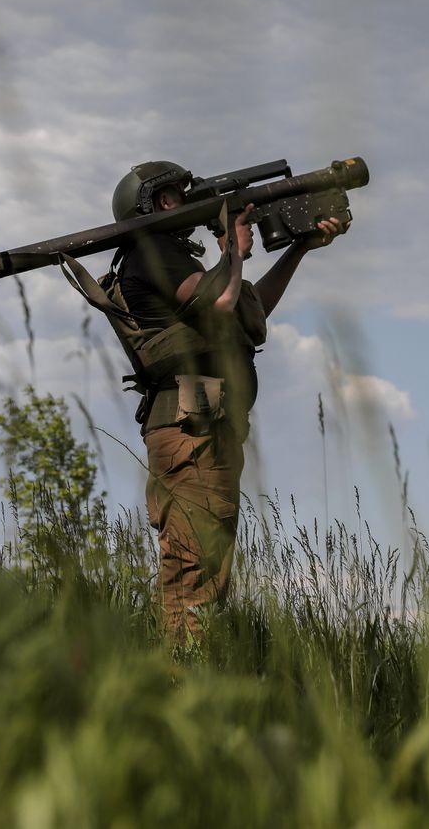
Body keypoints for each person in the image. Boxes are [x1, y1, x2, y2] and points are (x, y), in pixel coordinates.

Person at [104, 160, 349, 642]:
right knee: (194, 570)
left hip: (204, 423)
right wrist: (234, 253)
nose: (191, 199)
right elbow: (219, 305)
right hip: (191, 426)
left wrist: (298, 247)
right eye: (180, 192)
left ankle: (188, 679)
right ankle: (181, 684)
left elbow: (245, 307)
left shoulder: (170, 257)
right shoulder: (151, 250)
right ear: (162, 202)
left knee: (205, 567)